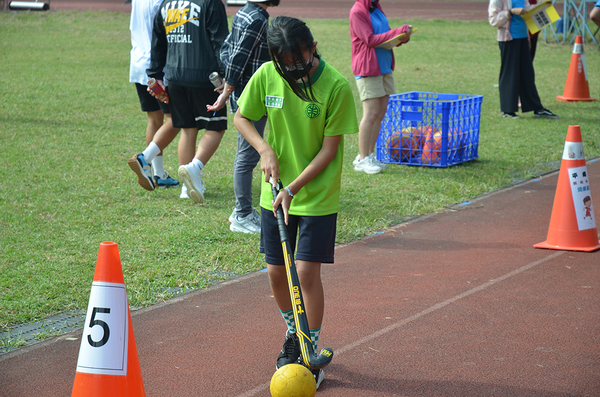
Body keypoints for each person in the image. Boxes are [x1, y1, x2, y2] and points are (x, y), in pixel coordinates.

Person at [233, 16, 358, 388]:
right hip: (275, 192)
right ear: (275, 59)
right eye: (288, 66)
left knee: (304, 272)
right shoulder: (267, 76)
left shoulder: (336, 85)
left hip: (316, 194)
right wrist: (265, 149)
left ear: (313, 47)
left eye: (302, 62)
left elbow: (329, 150)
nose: (297, 72)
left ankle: (310, 349)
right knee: (276, 273)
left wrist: (294, 188)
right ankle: (295, 333)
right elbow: (242, 117)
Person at [129, 0, 229, 204]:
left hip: (173, 76)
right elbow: (220, 40)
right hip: (204, 76)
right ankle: (195, 168)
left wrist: (156, 74)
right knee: (216, 127)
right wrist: (226, 74)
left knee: (187, 129)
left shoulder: (167, 3)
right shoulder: (211, 2)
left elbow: (157, 41)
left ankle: (186, 187)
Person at [206, 0, 280, 234]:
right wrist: (228, 89)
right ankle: (242, 213)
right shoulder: (258, 19)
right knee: (247, 156)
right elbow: (238, 57)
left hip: (244, 92)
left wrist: (229, 86)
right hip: (251, 95)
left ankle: (242, 210)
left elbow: (227, 50)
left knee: (246, 154)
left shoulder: (245, 12)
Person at [349, 0, 412, 174]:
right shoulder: (357, 11)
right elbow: (369, 40)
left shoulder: (375, 9)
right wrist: (397, 31)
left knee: (381, 112)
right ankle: (363, 159)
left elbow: (385, 36)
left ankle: (369, 155)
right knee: (370, 113)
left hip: (383, 66)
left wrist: (401, 38)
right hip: (368, 68)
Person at [128, 0, 180, 191]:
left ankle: (159, 173)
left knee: (154, 119)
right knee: (176, 119)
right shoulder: (164, 2)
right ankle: (145, 158)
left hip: (138, 63)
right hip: (159, 67)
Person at [489, 0, 559, 119]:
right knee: (510, 74)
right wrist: (510, 12)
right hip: (509, 39)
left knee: (527, 74)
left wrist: (544, 6)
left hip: (523, 38)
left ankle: (537, 108)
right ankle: (508, 111)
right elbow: (493, 19)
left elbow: (529, 11)